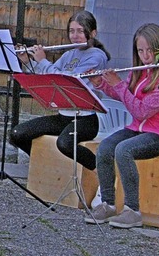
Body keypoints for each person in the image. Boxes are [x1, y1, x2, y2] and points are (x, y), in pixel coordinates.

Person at [85, 23, 159, 228]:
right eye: (140, 50)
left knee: (123, 150)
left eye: (150, 50)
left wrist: (117, 84)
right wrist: (101, 84)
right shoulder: (139, 73)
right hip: (137, 129)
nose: (146, 56)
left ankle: (132, 210)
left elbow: (141, 110)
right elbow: (125, 97)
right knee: (104, 148)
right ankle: (108, 204)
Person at [9, 10, 110, 171]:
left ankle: (102, 170)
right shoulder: (69, 54)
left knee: (65, 143)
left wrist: (42, 60)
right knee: (17, 134)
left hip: (85, 120)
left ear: (93, 33)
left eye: (80, 31)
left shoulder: (97, 56)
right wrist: (29, 61)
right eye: (71, 31)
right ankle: (47, 168)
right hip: (64, 117)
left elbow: (69, 79)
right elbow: (49, 76)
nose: (75, 36)